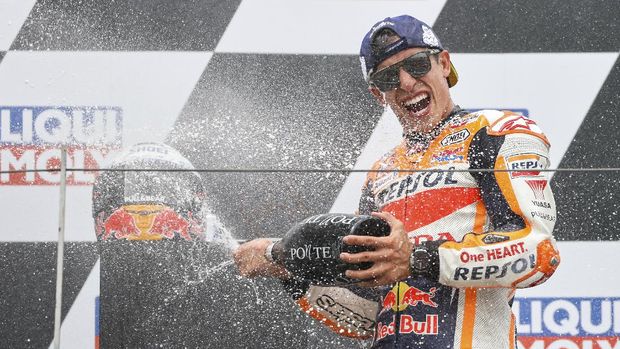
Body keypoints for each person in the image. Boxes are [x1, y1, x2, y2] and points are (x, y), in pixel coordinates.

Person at [234, 15, 561, 349]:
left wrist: (418, 259)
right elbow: (369, 315)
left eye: (417, 65)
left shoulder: (494, 131)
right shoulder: (380, 171)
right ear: (380, 95)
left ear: (444, 64)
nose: (406, 82)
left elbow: (538, 252)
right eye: (389, 76)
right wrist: (289, 273)